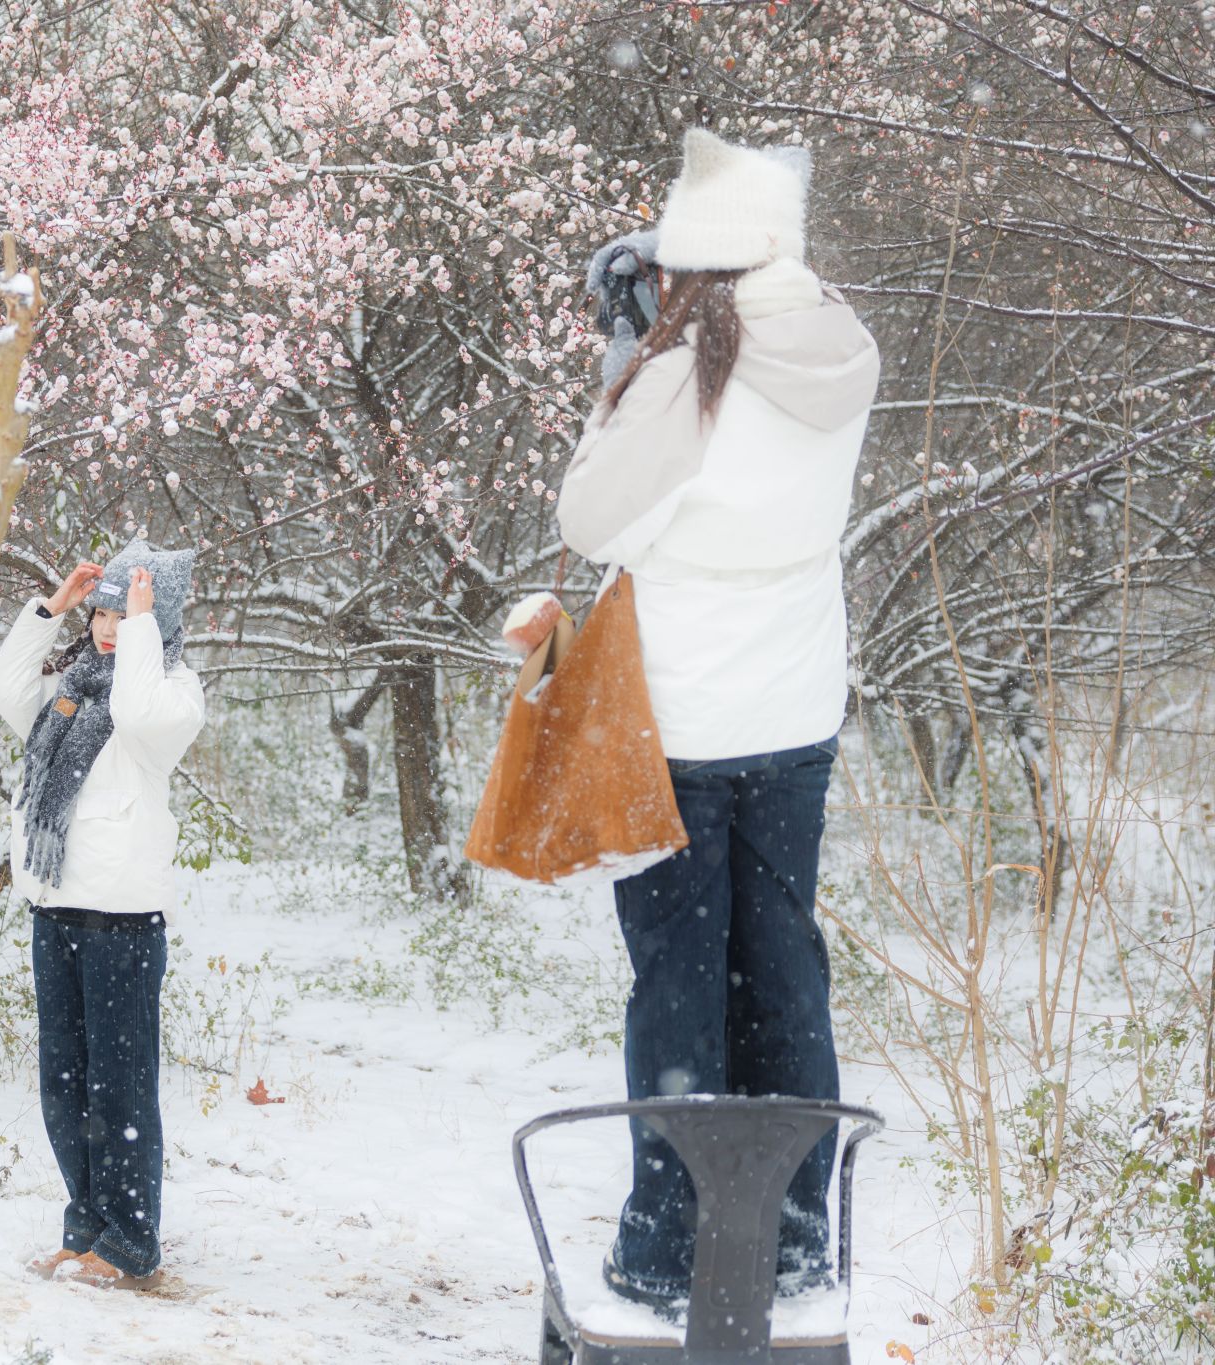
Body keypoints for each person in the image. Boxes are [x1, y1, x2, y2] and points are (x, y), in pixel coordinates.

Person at [557, 128, 882, 1315]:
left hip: (679, 722)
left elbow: (593, 519)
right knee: (782, 968)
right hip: (791, 710)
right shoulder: (842, 347)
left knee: (678, 980)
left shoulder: (682, 375)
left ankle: (665, 1241)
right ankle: (791, 1235)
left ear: (694, 260)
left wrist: (625, 353)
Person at [0, 539, 204, 1289]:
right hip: (57, 912)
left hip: (123, 924)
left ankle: (130, 1243)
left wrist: (141, 623)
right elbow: (4, 688)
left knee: (121, 1089)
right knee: (65, 1086)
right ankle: (84, 1231)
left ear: (156, 620)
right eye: (102, 614)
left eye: (123, 614)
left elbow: (138, 710)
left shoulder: (173, 695)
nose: (108, 628)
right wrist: (52, 609)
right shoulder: (70, 689)